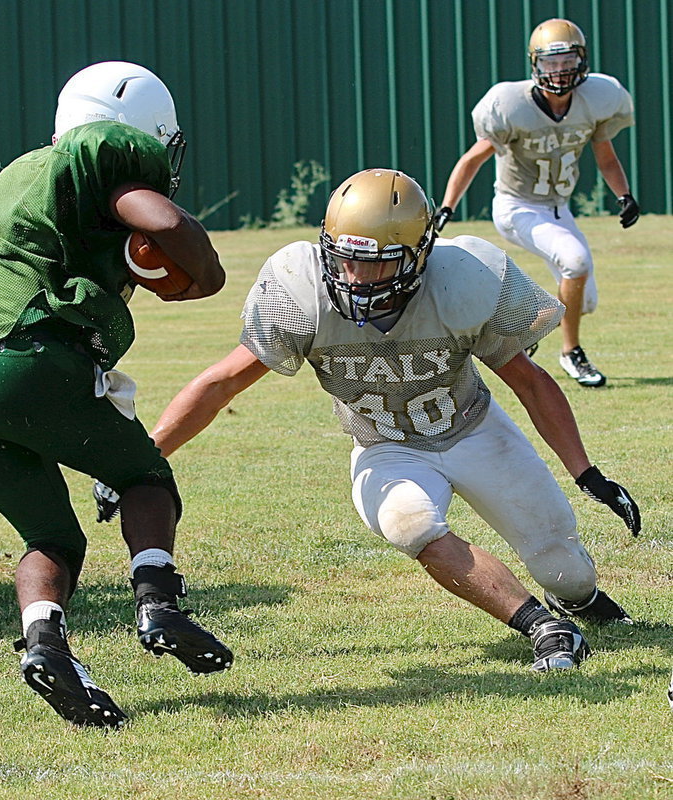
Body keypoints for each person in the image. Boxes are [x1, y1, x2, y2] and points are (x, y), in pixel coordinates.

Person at [99, 168, 642, 674]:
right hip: (384, 446)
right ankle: (542, 626)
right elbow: (220, 384)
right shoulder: (302, 290)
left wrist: (586, 473)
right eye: (345, 258)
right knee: (411, 523)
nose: (356, 276)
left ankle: (577, 601)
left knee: (567, 571)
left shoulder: (463, 280)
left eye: (378, 261)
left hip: (474, 429)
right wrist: (137, 460)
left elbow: (529, 381)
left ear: (422, 252)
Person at [0, 61, 233, 729]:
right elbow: (154, 214)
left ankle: (45, 645)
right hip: (28, 360)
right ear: (138, 129)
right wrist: (204, 270)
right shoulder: (101, 156)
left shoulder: (19, 174)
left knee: (51, 536)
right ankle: (158, 600)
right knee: (143, 474)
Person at [435, 18, 638, 388]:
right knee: (575, 261)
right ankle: (571, 352)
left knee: (581, 300)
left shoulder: (597, 98)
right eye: (550, 62)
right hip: (517, 206)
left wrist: (624, 194)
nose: (559, 71)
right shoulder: (511, 104)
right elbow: (473, 159)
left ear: (582, 60)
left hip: (559, 209)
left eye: (566, 61)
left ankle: (524, 325)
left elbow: (606, 156)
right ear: (535, 64)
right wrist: (447, 206)